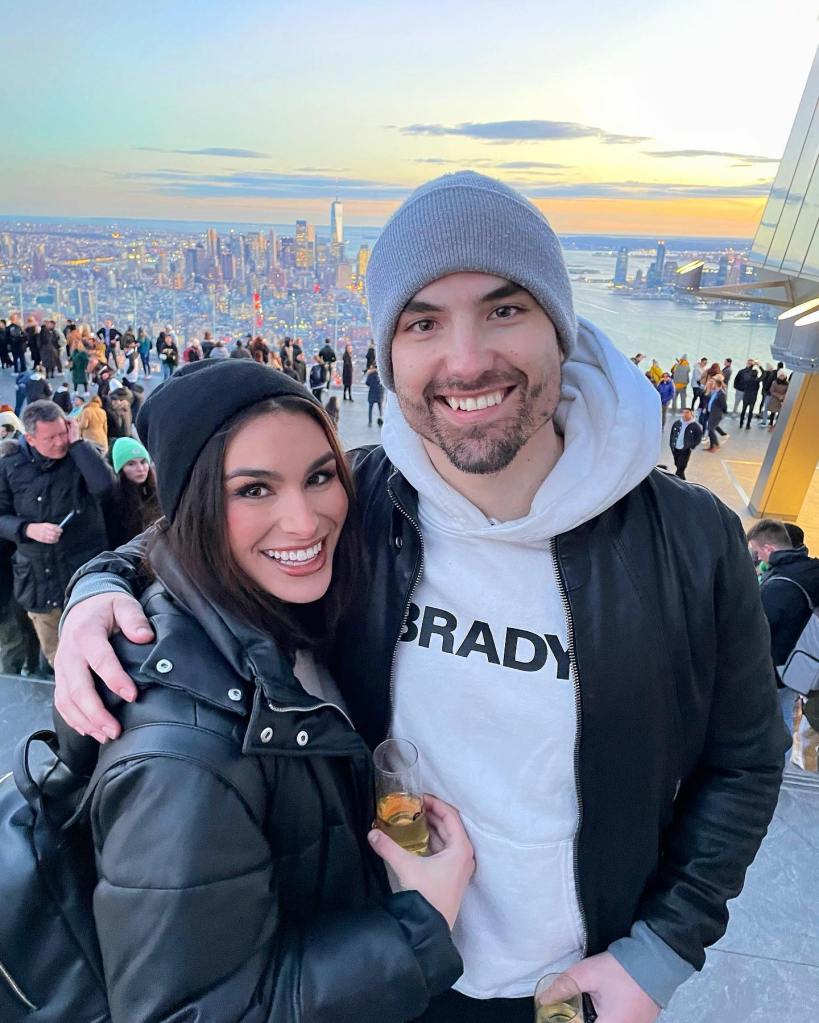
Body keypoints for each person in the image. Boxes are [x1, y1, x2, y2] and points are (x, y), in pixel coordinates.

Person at [54, 171, 786, 1023]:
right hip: (377, 962)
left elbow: (744, 757)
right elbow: (204, 533)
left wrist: (659, 950)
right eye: (423, 322)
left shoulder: (689, 541)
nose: (466, 358)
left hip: (573, 986)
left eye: (505, 309)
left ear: (560, 326)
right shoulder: (361, 500)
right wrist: (96, 588)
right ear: (386, 351)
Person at [54, 360, 470, 1023]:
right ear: (196, 506)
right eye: (253, 489)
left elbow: (157, 539)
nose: (304, 522)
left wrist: (98, 579)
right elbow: (183, 1012)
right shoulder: (181, 758)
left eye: (319, 476)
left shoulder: (266, 610)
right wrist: (417, 923)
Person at [0, 400, 113, 666]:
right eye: (50, 438)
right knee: (59, 660)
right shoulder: (9, 465)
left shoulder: (80, 454)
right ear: (30, 438)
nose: (59, 442)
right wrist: (27, 529)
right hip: (39, 580)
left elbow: (106, 488)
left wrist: (78, 445)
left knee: (99, 656)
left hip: (84, 575)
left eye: (63, 432)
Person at [747, 519, 819, 740]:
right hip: (800, 663)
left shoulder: (779, 585)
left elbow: (757, 628)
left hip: (776, 663)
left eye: (757, 552)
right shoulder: (811, 569)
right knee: (784, 713)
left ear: (769, 548)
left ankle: (772, 762)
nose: (757, 559)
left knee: (768, 719)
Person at [0, 438, 42, 677]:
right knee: (13, 641)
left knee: (22, 636)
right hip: (10, 587)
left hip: (22, 580)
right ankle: (14, 686)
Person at [105, 437, 161, 548]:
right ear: (119, 469)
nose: (140, 468)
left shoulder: (155, 494)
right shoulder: (114, 501)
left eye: (143, 462)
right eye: (131, 464)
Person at [668, 408, 703, 480]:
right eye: (683, 412)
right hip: (675, 449)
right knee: (678, 466)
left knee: (680, 468)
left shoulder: (695, 426)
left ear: (691, 414)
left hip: (685, 450)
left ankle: (676, 482)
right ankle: (683, 481)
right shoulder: (677, 423)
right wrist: (671, 444)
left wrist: (691, 447)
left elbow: (698, 438)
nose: (685, 414)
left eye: (687, 412)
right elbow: (672, 434)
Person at [705, 374, 728, 451]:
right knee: (710, 429)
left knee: (711, 429)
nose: (712, 384)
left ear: (717, 384)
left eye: (714, 383)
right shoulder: (715, 392)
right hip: (711, 413)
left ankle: (716, 444)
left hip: (716, 414)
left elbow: (724, 405)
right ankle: (711, 446)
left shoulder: (721, 394)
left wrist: (721, 411)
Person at [738, 363, 761, 429]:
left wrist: (751, 366)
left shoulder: (747, 379)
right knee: (750, 411)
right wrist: (760, 366)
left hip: (746, 396)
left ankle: (741, 423)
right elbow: (764, 374)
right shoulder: (757, 380)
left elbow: (745, 373)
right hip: (753, 398)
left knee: (743, 410)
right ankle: (748, 425)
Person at [365, 363, 384, 427]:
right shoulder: (381, 375)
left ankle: (370, 422)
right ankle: (381, 419)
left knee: (370, 408)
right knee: (380, 408)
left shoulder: (370, 374)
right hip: (379, 394)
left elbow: (367, 383)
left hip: (372, 393)